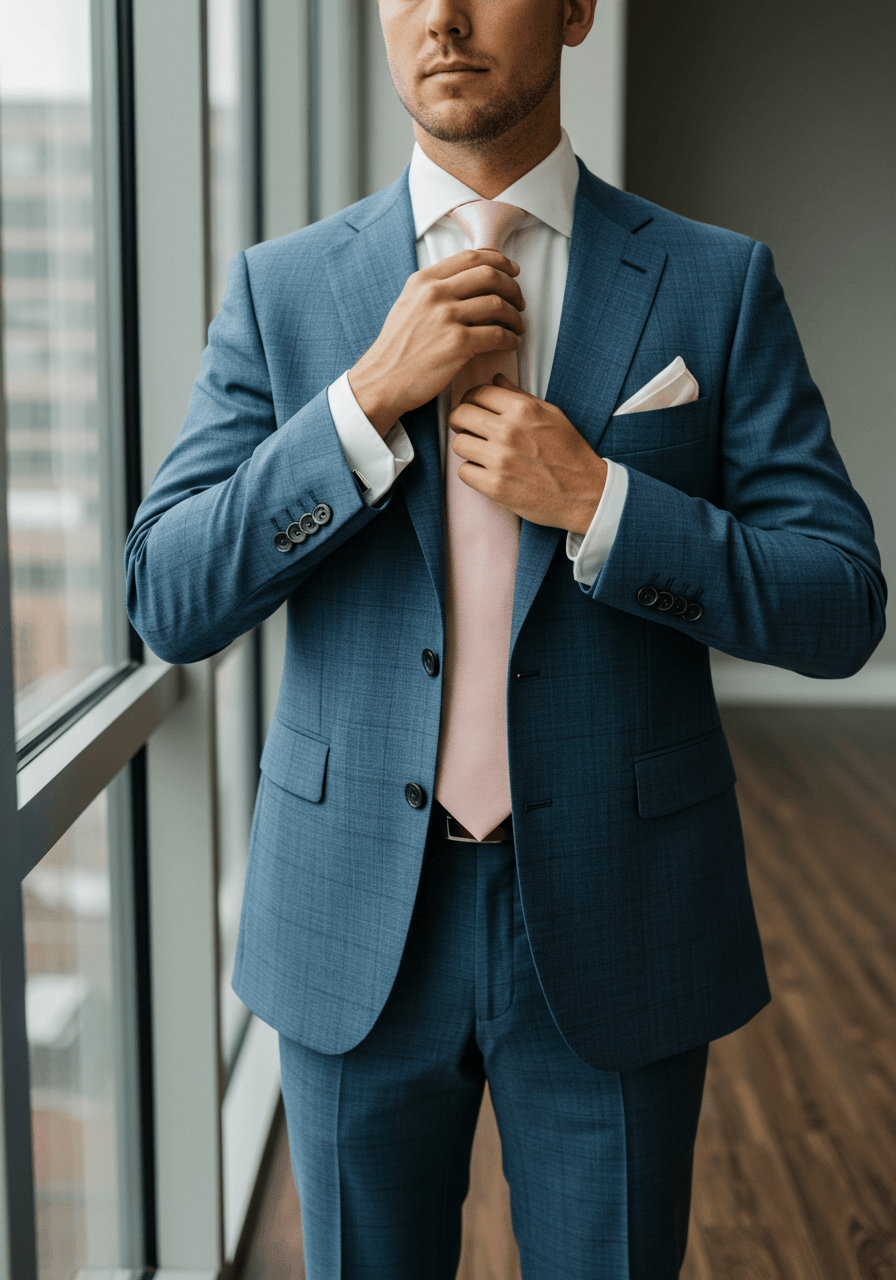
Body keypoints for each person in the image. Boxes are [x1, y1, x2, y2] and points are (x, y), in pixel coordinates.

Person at [124, 0, 886, 1274]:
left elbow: (839, 601)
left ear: (579, 8)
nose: (443, 16)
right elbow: (166, 593)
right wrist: (361, 405)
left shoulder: (713, 279)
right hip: (351, 911)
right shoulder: (285, 289)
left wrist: (605, 503)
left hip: (617, 910)